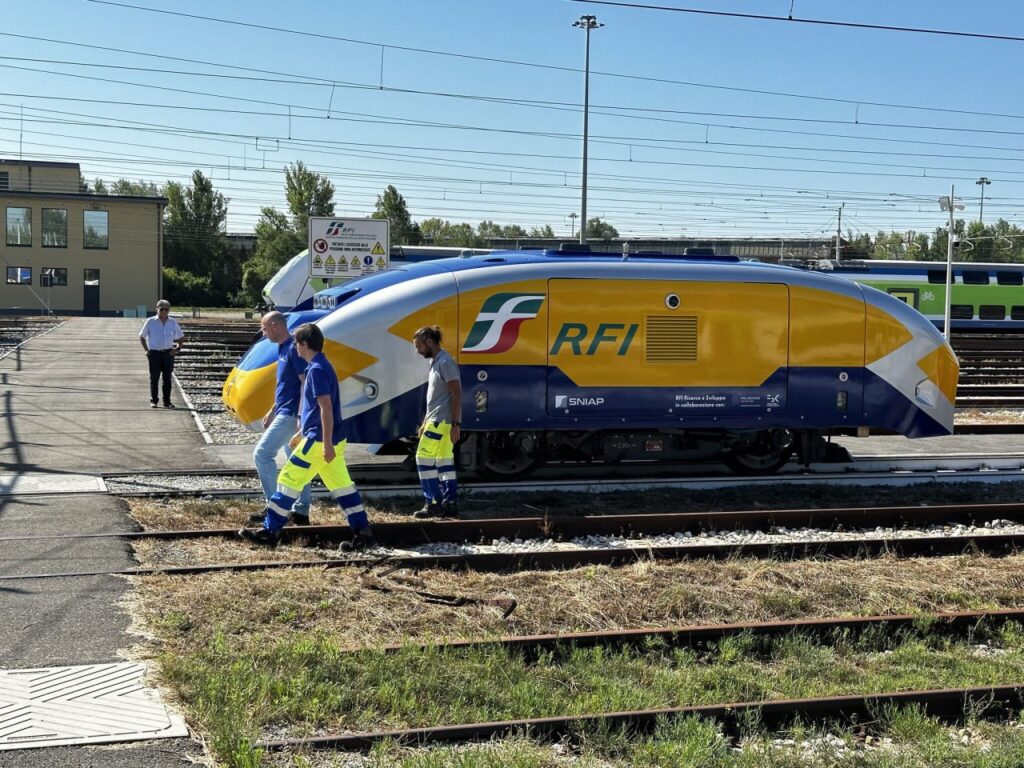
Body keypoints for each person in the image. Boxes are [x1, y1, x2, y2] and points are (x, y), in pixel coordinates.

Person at [238, 322, 375, 550]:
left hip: (320, 441)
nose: (296, 348)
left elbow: (325, 408)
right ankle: (363, 532)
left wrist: (325, 444)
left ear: (304, 344)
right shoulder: (321, 366)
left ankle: (270, 532)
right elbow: (314, 410)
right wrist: (301, 433)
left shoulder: (317, 370)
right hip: (326, 439)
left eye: (297, 344)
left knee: (288, 481)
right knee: (343, 487)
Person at [249, 311, 313, 526]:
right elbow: (288, 385)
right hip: (285, 410)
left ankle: (273, 508)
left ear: (276, 326)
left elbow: (306, 383)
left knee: (262, 454)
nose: (264, 333)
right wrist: (273, 408)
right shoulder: (283, 348)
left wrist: (301, 417)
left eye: (265, 329)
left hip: (291, 415)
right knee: (295, 461)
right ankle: (301, 511)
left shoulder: (295, 349)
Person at [411, 325, 461, 518]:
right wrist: (425, 421)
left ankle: (433, 503)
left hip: (441, 421)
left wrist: (456, 424)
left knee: (423, 458)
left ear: (429, 342)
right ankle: (450, 503)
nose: (418, 351)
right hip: (439, 421)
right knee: (444, 461)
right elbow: (437, 397)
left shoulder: (445, 362)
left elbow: (456, 392)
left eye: (419, 346)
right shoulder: (438, 361)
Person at [138, 299, 184, 408]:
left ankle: (167, 402)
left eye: (166, 309)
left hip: (168, 353)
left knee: (167, 379)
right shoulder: (150, 321)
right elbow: (142, 336)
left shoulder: (172, 322)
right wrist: (146, 350)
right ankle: (154, 400)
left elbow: (181, 337)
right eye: (162, 309)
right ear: (157, 309)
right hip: (154, 354)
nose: (164, 311)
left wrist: (177, 349)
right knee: (154, 378)